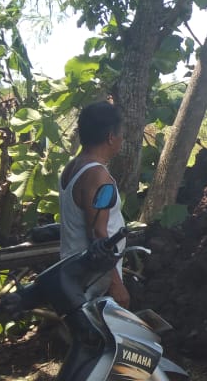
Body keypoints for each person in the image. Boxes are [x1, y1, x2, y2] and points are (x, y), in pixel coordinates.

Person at [58, 100, 129, 308]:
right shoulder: (97, 175)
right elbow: (98, 235)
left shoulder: (73, 166)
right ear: (110, 137)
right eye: (121, 134)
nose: (122, 139)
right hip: (94, 280)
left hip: (74, 272)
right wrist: (116, 284)